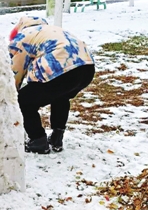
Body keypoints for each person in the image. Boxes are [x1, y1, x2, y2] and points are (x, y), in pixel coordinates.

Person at [9, 15, 95, 154]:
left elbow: (15, 70)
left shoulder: (22, 36)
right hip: (86, 68)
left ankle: (37, 140)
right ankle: (57, 137)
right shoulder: (52, 30)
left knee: (24, 101)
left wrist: (12, 94)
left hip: (60, 69)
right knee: (61, 96)